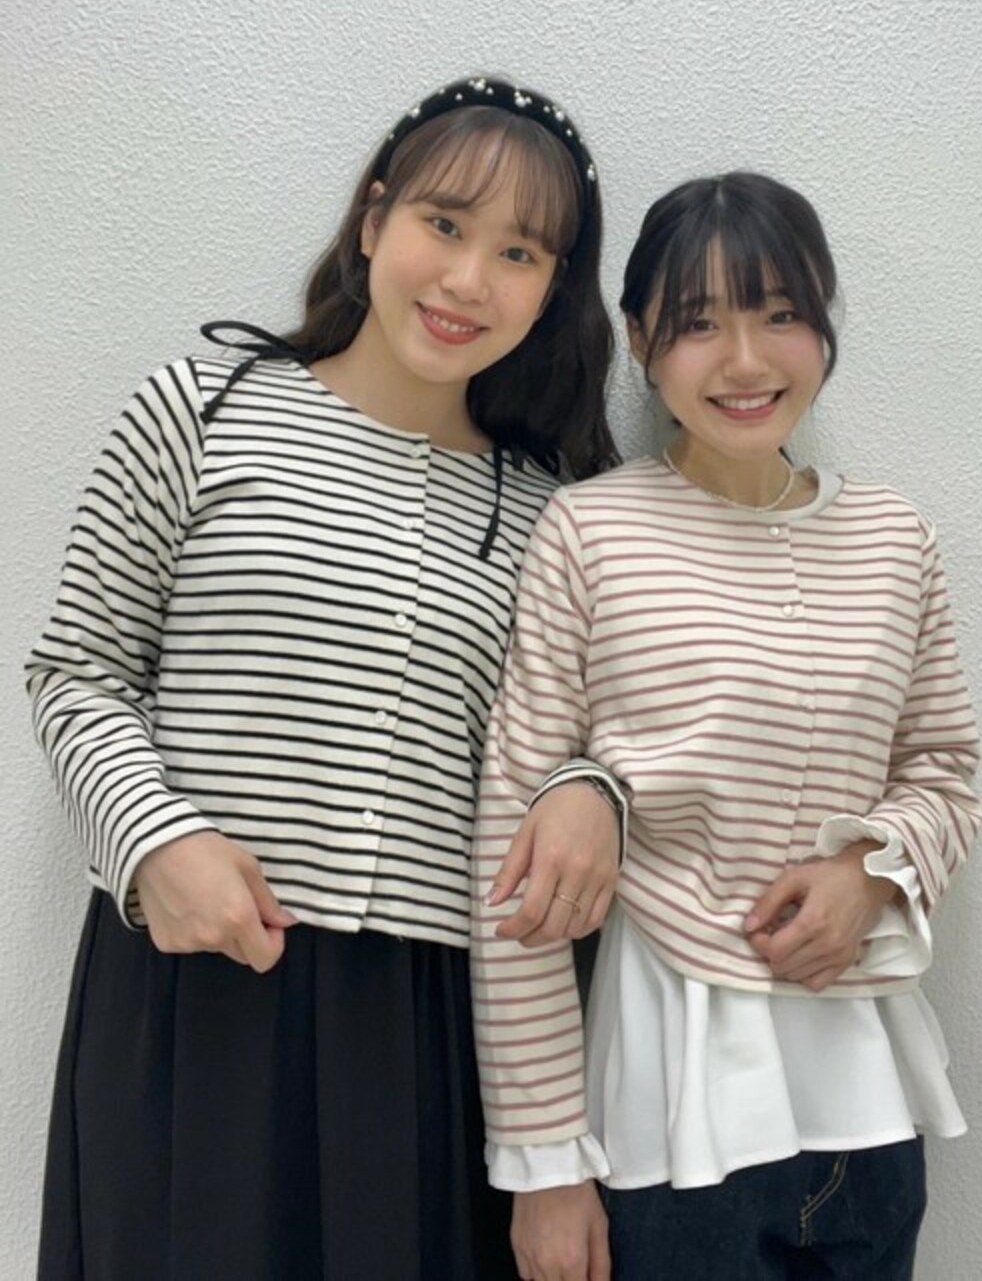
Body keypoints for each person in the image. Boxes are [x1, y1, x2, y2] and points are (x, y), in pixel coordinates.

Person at [27, 76, 631, 1281]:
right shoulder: (203, 407)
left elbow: (594, 736)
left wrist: (592, 790)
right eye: (443, 224)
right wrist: (156, 843)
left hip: (424, 1015)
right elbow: (77, 667)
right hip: (191, 983)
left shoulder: (555, 513)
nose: (467, 280)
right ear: (373, 218)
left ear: (553, 288)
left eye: (518, 253)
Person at [471, 171, 981, 1281]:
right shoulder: (590, 530)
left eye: (780, 313)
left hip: (870, 1099)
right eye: (699, 324)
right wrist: (544, 1164)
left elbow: (944, 771)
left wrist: (872, 873)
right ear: (640, 340)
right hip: (672, 1118)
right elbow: (511, 859)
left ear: (823, 323)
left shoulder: (895, 538)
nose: (745, 361)